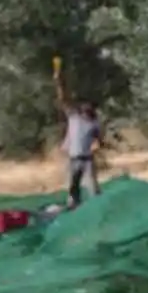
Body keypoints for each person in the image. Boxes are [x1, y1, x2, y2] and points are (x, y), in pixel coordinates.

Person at [53, 59, 103, 209]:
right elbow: (63, 99)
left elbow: (99, 140)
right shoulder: (75, 118)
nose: (86, 109)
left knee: (93, 187)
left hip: (87, 159)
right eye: (85, 107)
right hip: (73, 158)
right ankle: (73, 208)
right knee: (73, 188)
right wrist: (58, 80)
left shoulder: (94, 123)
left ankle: (98, 209)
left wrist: (97, 145)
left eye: (89, 108)